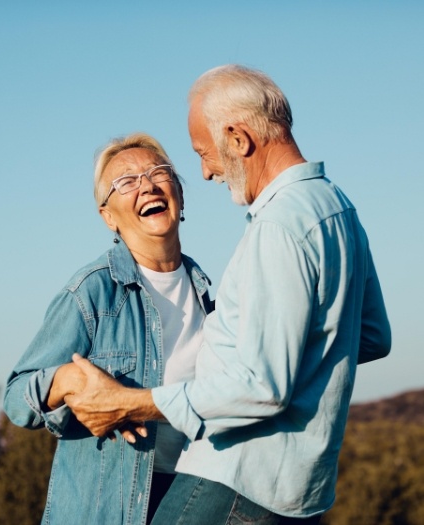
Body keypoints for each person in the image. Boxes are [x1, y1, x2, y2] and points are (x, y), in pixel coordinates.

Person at [64, 65, 392, 524]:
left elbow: (262, 387)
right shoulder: (338, 208)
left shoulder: (278, 227)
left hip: (235, 482)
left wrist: (130, 402)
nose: (205, 172)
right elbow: (373, 336)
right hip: (302, 493)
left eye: (205, 153)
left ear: (239, 139)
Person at [3, 132, 214, 524]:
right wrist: (66, 379)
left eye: (158, 172)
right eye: (126, 182)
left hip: (189, 497)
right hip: (107, 510)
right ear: (108, 216)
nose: (147, 185)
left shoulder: (208, 293)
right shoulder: (92, 291)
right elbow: (17, 397)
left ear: (180, 196)